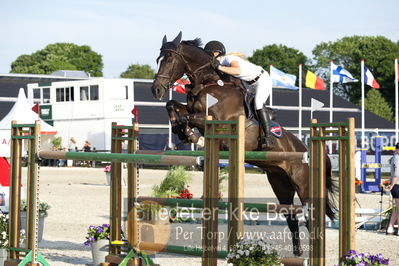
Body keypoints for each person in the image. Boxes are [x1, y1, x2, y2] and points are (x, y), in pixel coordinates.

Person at [204, 40, 274, 149]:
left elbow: (237, 71)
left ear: (215, 53)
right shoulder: (223, 63)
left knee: (258, 103)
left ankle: (268, 138)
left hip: (262, 80)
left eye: (210, 55)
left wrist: (219, 67)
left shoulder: (228, 59)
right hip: (249, 85)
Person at [386, 142, 399, 235]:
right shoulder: (397, 158)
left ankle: (392, 227)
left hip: (396, 185)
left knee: (398, 208)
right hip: (397, 185)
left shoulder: (395, 157)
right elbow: (396, 173)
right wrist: (392, 184)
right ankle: (391, 227)